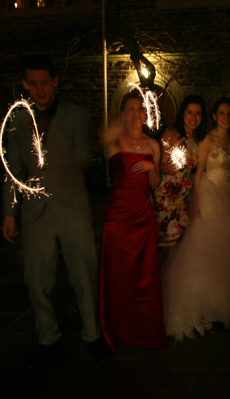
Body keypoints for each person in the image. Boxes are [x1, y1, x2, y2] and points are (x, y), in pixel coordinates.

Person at [1, 54, 109, 364]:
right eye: (32, 83)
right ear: (24, 84)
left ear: (55, 81)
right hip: (36, 211)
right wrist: (9, 212)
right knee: (37, 279)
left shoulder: (77, 115)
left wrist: (54, 148)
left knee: (84, 276)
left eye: (45, 82)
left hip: (73, 207)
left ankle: (92, 334)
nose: (40, 89)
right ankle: (47, 336)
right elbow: (13, 169)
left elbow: (81, 160)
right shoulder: (17, 120)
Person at [163, 98, 230, 341]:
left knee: (227, 251)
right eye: (221, 113)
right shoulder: (206, 141)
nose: (225, 117)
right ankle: (203, 305)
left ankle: (220, 304)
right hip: (208, 196)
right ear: (214, 116)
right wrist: (196, 204)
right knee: (208, 249)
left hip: (228, 198)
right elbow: (200, 173)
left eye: (229, 113)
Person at [99, 92, 164, 352]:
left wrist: (152, 169)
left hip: (143, 214)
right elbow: (102, 137)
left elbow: (155, 185)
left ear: (146, 114)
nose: (137, 114)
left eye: (140, 109)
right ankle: (117, 330)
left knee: (144, 276)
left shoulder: (153, 145)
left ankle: (144, 331)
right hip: (117, 217)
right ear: (123, 113)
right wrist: (119, 121)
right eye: (130, 109)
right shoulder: (115, 140)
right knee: (118, 276)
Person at [154, 95, 207, 258]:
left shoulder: (198, 142)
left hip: (184, 201)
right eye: (190, 112)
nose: (193, 118)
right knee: (165, 250)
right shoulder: (171, 134)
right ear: (183, 114)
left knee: (180, 251)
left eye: (198, 114)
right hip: (167, 200)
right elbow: (160, 166)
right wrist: (167, 167)